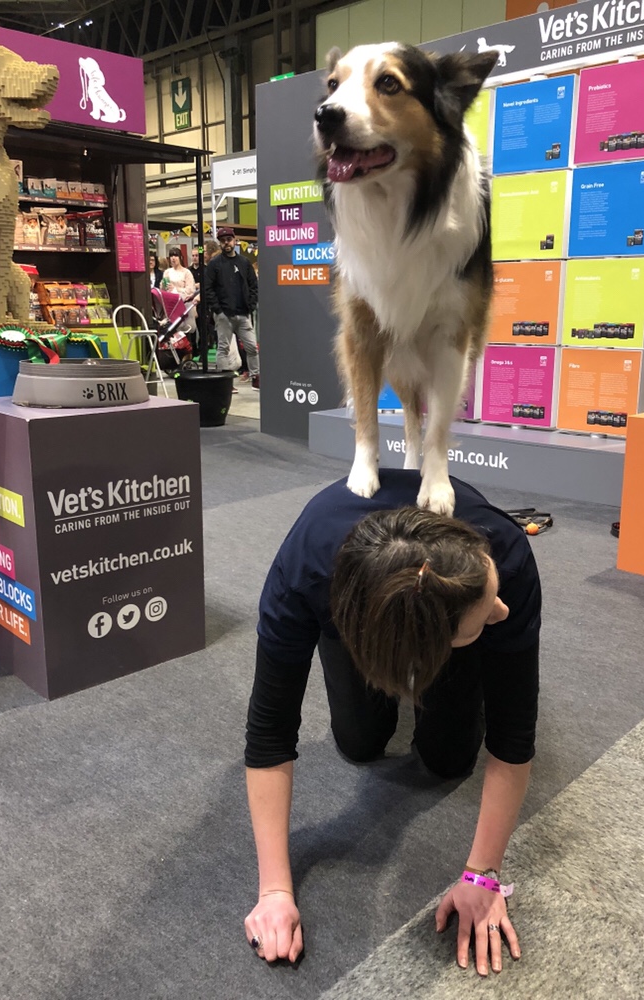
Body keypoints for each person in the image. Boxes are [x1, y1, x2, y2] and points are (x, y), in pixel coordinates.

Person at [244, 469, 541, 977]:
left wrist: (483, 875)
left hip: (439, 616)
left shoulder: (505, 558)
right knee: (358, 742)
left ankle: (450, 658)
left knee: (449, 759)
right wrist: (274, 890)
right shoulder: (305, 574)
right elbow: (270, 733)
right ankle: (401, 663)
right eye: (487, 611)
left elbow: (513, 734)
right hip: (359, 607)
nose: (501, 612)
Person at [204, 227, 260, 389]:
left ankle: (256, 378)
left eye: (229, 240)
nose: (226, 243)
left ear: (235, 241)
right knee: (223, 348)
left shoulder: (244, 262)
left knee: (252, 347)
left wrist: (251, 305)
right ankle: (225, 383)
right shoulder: (214, 264)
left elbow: (253, 285)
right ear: (220, 243)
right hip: (224, 315)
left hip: (243, 314)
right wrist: (218, 310)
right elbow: (208, 288)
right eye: (223, 241)